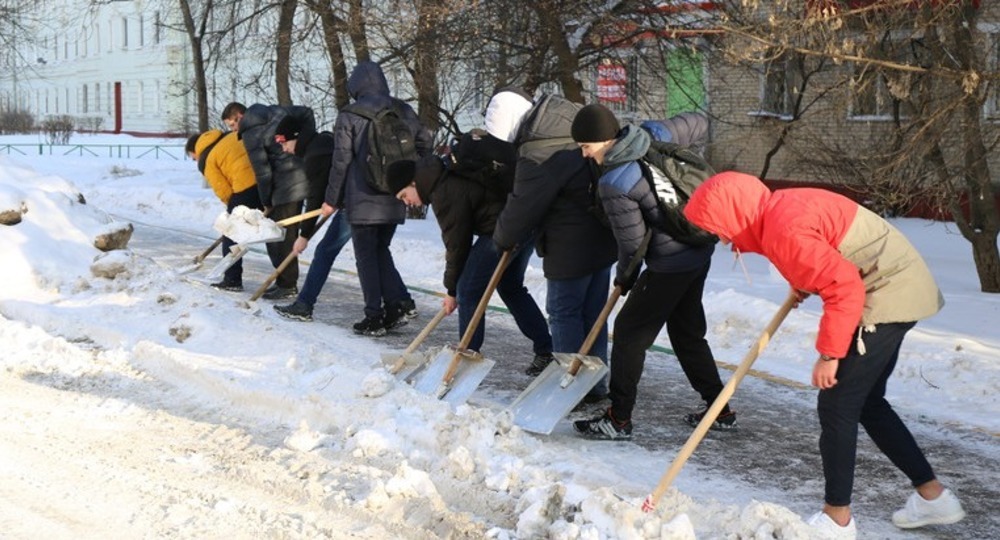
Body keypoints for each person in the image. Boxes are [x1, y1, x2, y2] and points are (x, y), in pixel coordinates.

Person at [683, 171, 966, 538]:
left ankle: (837, 518)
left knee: (837, 405)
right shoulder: (778, 211)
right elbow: (827, 253)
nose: (720, 238)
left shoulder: (783, 229)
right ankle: (933, 497)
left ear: (735, 216)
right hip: (897, 283)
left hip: (887, 291)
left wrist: (830, 354)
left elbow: (844, 286)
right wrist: (804, 280)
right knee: (867, 403)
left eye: (717, 227)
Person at [568, 103, 732, 441]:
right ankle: (720, 409)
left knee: (629, 332)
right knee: (687, 333)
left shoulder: (615, 182)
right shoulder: (652, 134)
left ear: (603, 140)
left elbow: (632, 245)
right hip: (699, 250)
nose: (585, 155)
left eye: (586, 147)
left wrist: (624, 278)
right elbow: (697, 122)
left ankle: (619, 418)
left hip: (670, 265)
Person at [386, 128, 553, 368]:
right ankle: (547, 350)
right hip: (522, 219)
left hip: (503, 228)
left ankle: (466, 355)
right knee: (510, 287)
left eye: (404, 195)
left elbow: (457, 244)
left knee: (468, 290)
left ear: (413, 182)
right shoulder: (442, 172)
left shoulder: (442, 189)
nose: (407, 202)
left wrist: (452, 290)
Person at [490, 89, 618, 399]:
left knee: (565, 313)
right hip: (604, 233)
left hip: (568, 245)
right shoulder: (568, 113)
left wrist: (502, 240)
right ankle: (595, 385)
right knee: (594, 314)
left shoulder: (536, 153)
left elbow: (522, 208)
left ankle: (571, 389)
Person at [323, 60, 432, 336]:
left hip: (362, 196)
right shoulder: (404, 110)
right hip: (395, 194)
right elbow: (425, 142)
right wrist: (409, 175)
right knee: (381, 250)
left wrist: (331, 199)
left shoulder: (350, 114)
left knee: (366, 257)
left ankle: (374, 316)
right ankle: (394, 307)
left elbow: (341, 161)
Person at [269, 113, 352, 322]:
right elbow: (325, 187)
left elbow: (315, 197)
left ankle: (304, 305)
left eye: (283, 141)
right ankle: (398, 303)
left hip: (356, 204)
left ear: (296, 136)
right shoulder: (322, 142)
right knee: (375, 255)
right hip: (356, 201)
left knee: (325, 251)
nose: (283, 148)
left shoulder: (315, 154)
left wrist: (304, 235)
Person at [239, 104, 315, 300]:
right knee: (285, 235)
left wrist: (265, 200)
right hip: (305, 175)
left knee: (279, 238)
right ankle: (284, 281)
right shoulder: (279, 111)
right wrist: (305, 143)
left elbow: (262, 172)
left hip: (284, 187)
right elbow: (307, 112)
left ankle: (287, 284)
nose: (233, 130)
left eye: (232, 125)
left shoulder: (251, 134)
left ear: (240, 117)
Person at [185, 127, 261, 291]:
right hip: (264, 181)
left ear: (195, 151)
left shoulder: (207, 158)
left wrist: (232, 208)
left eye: (193, 158)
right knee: (270, 230)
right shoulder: (229, 136)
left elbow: (223, 189)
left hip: (244, 188)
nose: (195, 161)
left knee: (231, 234)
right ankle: (285, 283)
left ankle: (232, 280)